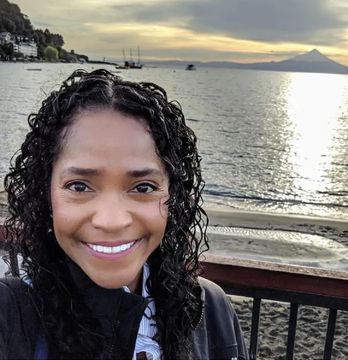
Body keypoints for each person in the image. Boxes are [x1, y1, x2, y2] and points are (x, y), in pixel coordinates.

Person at [1, 69, 248, 359]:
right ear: (46, 194)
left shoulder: (210, 308)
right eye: (79, 186)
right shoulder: (9, 315)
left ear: (173, 196)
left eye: (143, 187)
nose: (111, 220)